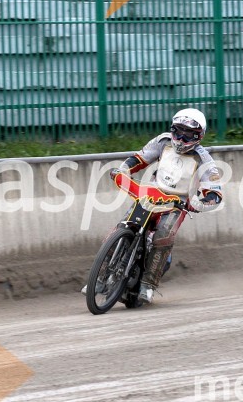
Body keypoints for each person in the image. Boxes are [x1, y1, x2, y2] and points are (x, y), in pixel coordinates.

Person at [83, 108, 224, 304]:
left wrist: (200, 202)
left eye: (188, 134)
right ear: (172, 130)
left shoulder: (205, 160)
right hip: (150, 194)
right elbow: (139, 159)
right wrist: (123, 170)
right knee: (121, 227)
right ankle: (98, 279)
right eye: (178, 132)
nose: (181, 139)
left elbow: (215, 193)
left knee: (163, 235)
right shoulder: (162, 142)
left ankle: (148, 285)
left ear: (198, 136)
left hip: (177, 204)